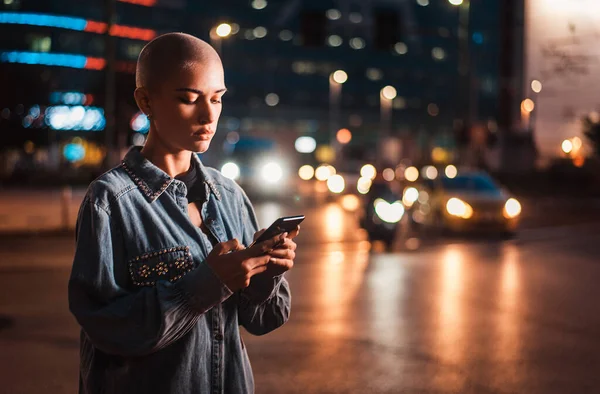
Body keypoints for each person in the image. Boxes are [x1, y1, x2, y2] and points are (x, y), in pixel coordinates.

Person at [68, 32, 299, 394]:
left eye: (217, 99)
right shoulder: (110, 201)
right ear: (146, 101)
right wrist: (208, 283)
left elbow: (262, 321)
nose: (208, 115)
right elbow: (109, 328)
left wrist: (265, 273)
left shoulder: (229, 196)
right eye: (188, 99)